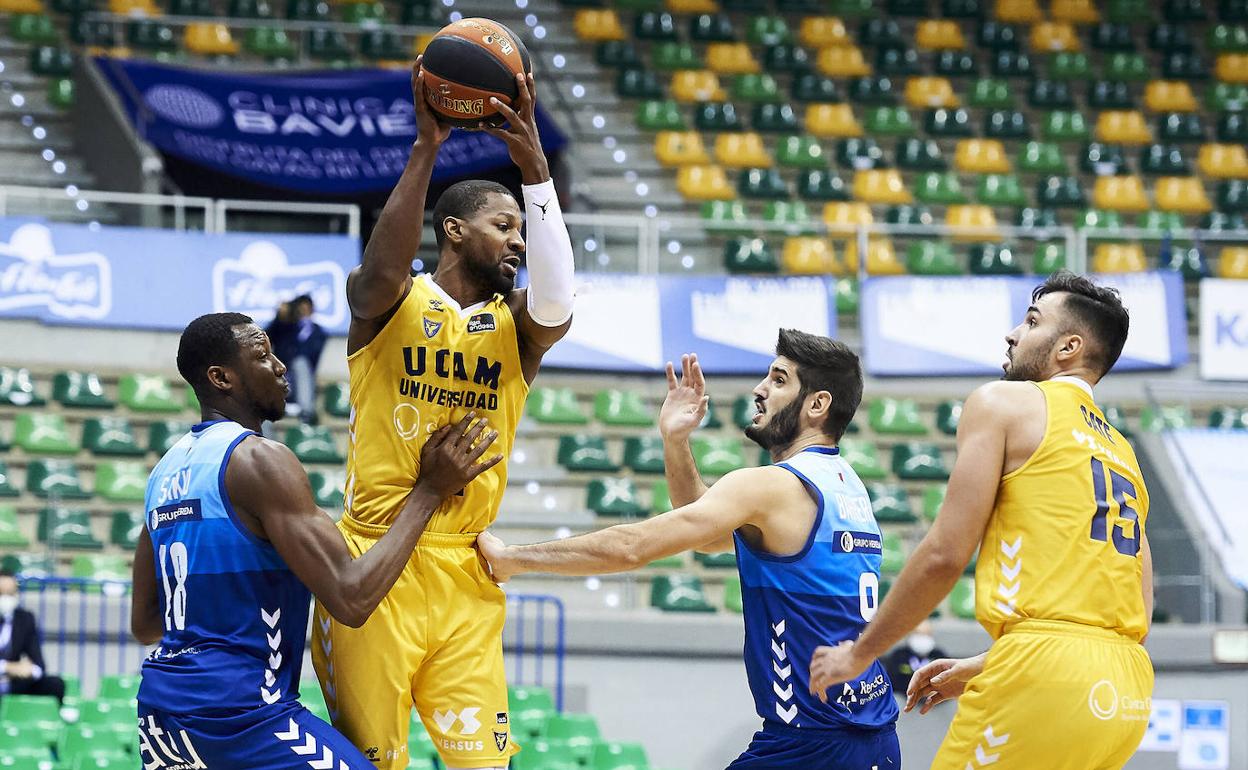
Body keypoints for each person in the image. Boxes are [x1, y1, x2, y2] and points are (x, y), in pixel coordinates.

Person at [311, 58, 574, 770]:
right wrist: (427, 146)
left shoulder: (517, 328)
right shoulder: (390, 305)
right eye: (504, 224)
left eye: (523, 229)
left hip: (466, 571)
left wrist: (537, 175)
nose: (519, 241)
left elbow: (558, 304)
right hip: (374, 560)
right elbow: (377, 277)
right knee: (371, 763)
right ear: (453, 231)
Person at [480, 331, 902, 770]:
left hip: (809, 744)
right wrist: (676, 442)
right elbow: (707, 536)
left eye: (779, 380)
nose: (759, 388)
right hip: (877, 738)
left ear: (817, 405)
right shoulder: (849, 486)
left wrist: (515, 558)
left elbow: (632, 548)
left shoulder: (771, 484)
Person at [809, 271, 1154, 770]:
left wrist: (859, 655)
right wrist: (988, 664)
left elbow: (945, 554)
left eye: (1032, 321)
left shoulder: (1004, 402)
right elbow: (1137, 611)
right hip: (1125, 692)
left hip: (1043, 676)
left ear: (1068, 347)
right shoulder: (1123, 454)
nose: (1013, 333)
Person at [131, 312, 501, 769]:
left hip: (161, 716)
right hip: (240, 711)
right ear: (221, 377)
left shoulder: (163, 473)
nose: (281, 365)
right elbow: (351, 596)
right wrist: (428, 491)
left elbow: (146, 622)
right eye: (263, 355)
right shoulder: (259, 460)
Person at [0, 569, 66, 704]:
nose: (5, 598)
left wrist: (29, 670)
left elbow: (39, 665)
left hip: (12, 682)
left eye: (10, 593)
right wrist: (6, 667)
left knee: (55, 684)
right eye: (1, 593)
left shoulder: (25, 619)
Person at [265, 294, 328, 424]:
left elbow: (313, 359)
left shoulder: (319, 332)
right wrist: (279, 317)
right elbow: (267, 337)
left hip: (304, 379)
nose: (303, 312)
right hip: (282, 375)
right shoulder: (285, 327)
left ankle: (306, 413)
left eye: (306, 308)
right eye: (300, 309)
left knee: (300, 363)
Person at [880, 619, 946, 698]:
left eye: (926, 634)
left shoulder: (939, 656)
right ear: (910, 634)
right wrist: (915, 690)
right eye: (918, 634)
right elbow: (891, 681)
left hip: (933, 701)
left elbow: (947, 679)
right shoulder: (899, 655)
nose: (922, 639)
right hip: (904, 698)